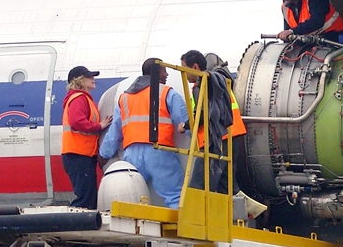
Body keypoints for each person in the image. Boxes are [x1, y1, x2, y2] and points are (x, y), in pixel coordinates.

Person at [99, 58, 190, 208]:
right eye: (163, 70)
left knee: (132, 197)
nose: (166, 74)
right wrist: (201, 142)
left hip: (132, 155)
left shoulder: (124, 98)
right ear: (155, 72)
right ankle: (179, 230)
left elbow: (115, 132)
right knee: (175, 197)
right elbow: (185, 121)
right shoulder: (166, 93)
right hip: (160, 151)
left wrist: (103, 154)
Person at [180, 50, 232, 193]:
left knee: (199, 186)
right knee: (226, 187)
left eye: (184, 68)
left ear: (195, 67)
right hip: (232, 135)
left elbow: (204, 112)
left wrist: (185, 125)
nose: (184, 73)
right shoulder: (219, 80)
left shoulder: (201, 84)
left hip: (215, 140)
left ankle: (197, 215)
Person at [61, 65, 112, 209]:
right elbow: (77, 122)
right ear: (79, 81)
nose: (93, 79)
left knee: (88, 197)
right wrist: (100, 126)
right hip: (78, 155)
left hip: (81, 155)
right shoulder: (79, 98)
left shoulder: (82, 98)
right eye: (89, 77)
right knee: (85, 198)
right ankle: (74, 225)